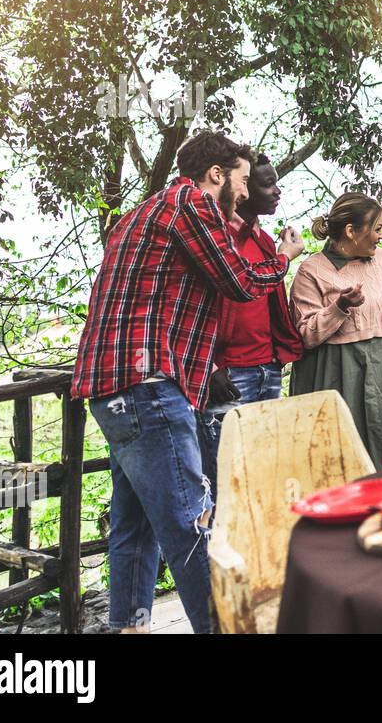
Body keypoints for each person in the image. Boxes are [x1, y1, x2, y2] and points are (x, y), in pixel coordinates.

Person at [71, 131, 306, 634]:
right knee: (192, 523)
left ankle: (129, 626)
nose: (244, 194)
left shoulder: (142, 211)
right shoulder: (192, 202)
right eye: (241, 182)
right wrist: (284, 258)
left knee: (134, 525)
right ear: (216, 174)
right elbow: (240, 281)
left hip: (112, 385)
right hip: (149, 384)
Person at [289, 192, 382, 467]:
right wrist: (339, 307)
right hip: (337, 373)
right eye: (377, 229)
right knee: (343, 458)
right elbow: (306, 334)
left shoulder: (381, 260)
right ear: (351, 231)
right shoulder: (310, 271)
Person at [200, 154, 305, 492]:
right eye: (265, 184)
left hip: (267, 369)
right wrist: (211, 365)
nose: (277, 191)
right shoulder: (217, 239)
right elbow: (202, 306)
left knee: (263, 473)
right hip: (230, 374)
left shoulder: (262, 240)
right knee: (226, 479)